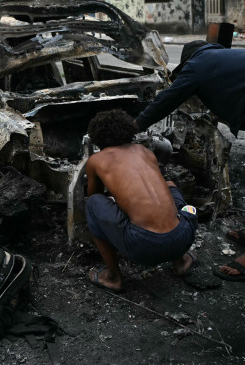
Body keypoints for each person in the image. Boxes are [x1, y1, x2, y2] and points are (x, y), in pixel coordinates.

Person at [135, 41, 245, 282]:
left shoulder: (197, 65)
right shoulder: (224, 58)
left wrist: (135, 126)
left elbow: (167, 100)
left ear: (188, 60)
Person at [84, 109, 198, 292]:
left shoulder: (96, 160)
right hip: (184, 236)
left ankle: (113, 276)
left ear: (96, 136)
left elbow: (94, 196)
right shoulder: (144, 151)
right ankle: (181, 260)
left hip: (144, 246)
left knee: (92, 205)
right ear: (129, 130)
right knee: (169, 184)